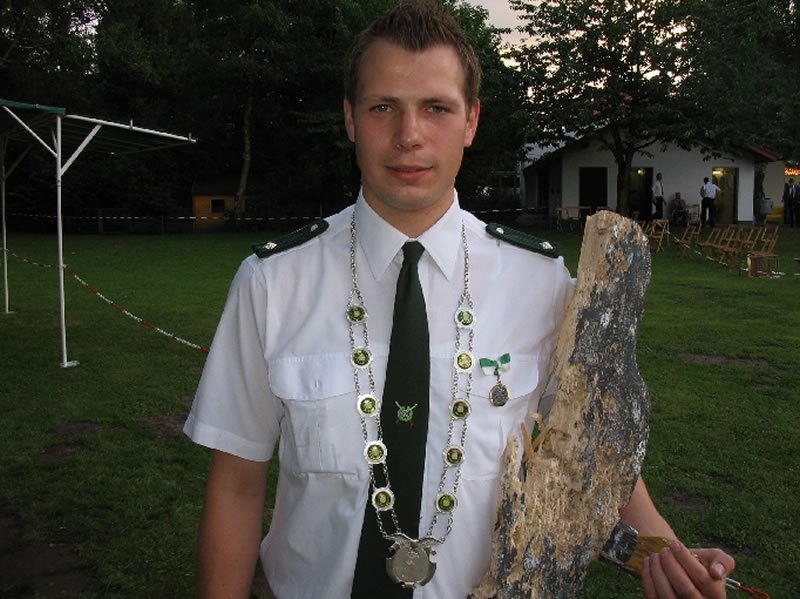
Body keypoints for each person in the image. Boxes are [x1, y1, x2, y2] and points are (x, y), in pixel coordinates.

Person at [183, 2, 735, 598]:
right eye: (382, 107)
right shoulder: (272, 284)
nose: (409, 135)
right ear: (350, 118)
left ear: (471, 121)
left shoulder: (541, 282)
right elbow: (237, 485)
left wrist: (666, 552)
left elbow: (589, 446)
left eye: (436, 108)